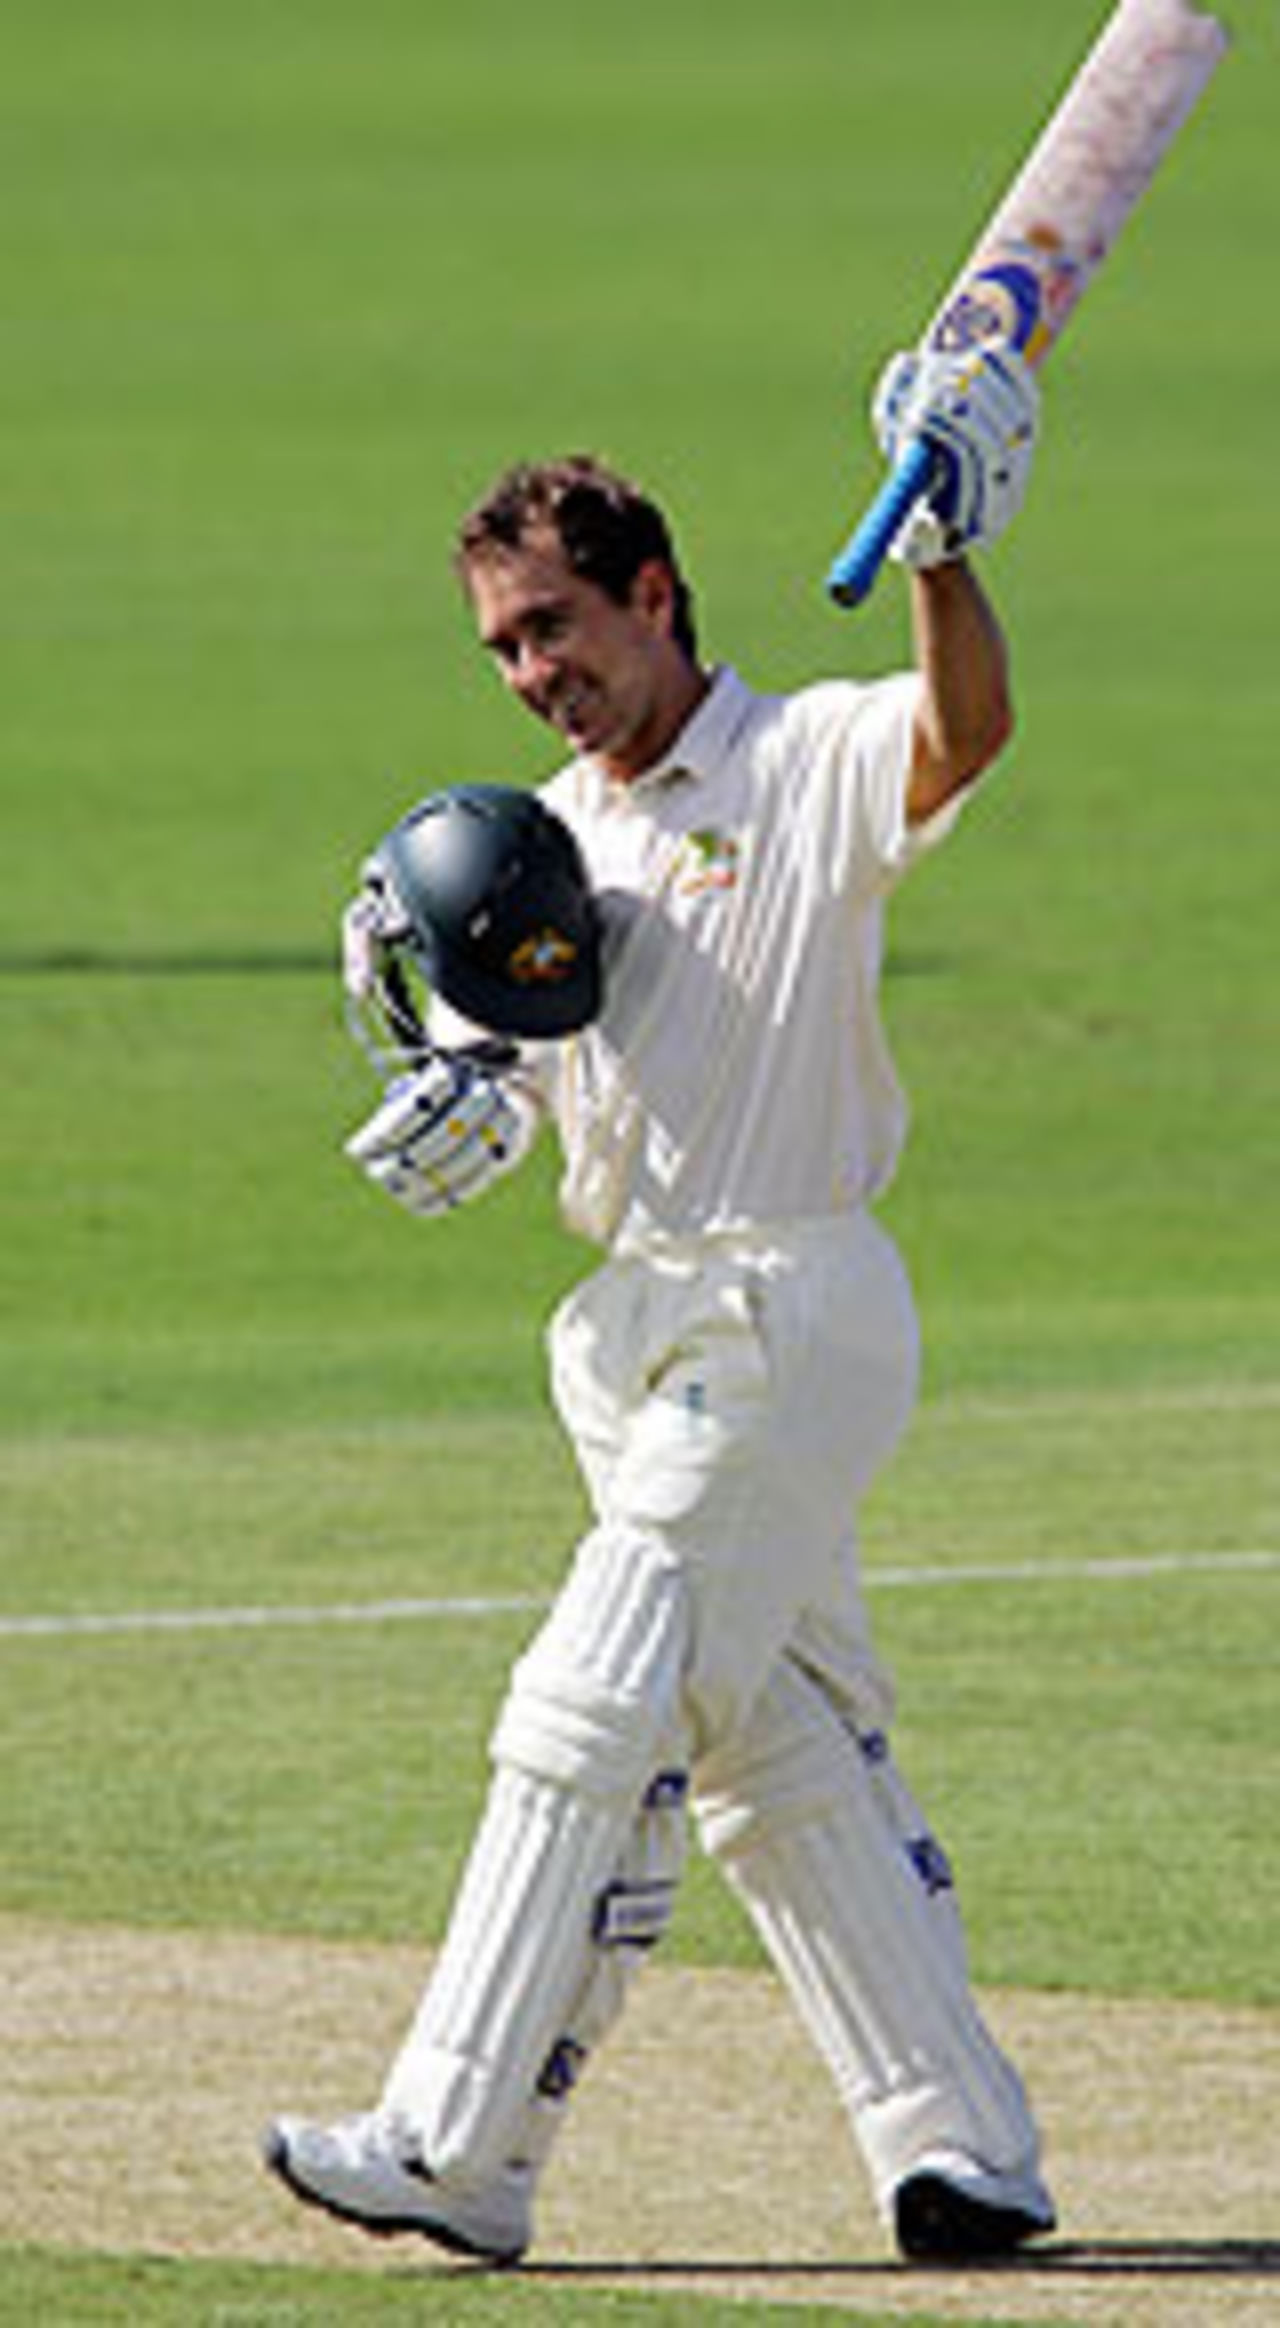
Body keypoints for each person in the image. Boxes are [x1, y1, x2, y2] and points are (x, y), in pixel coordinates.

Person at [263, 343, 1058, 2266]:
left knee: (590, 1698)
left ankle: (461, 2145)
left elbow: (969, 735)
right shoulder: (547, 836)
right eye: (504, 652)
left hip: (792, 1298)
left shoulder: (801, 762)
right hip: (634, 1335)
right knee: (783, 1764)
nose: (537, 672)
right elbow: (505, 1050)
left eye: (555, 628)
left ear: (653, 594)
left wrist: (944, 547)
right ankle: (964, 2154)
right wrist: (457, 1081)